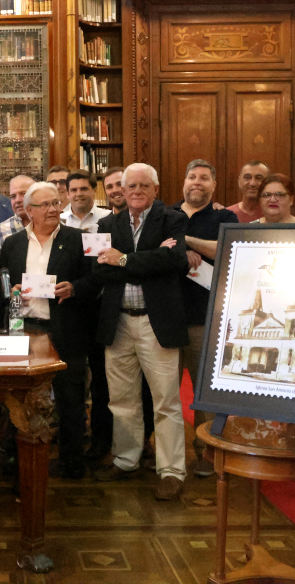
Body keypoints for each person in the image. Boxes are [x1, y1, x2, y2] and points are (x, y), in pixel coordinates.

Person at [92, 162, 190, 501]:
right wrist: (149, 259)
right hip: (117, 322)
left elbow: (174, 262)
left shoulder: (173, 219)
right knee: (122, 400)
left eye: (143, 185)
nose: (134, 191)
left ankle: (171, 471)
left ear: (155, 190)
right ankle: (126, 459)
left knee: (166, 401)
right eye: (129, 185)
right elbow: (99, 269)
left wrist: (122, 260)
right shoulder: (107, 223)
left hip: (156, 322)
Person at [0, 182, 100, 478]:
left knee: (70, 399)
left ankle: (72, 461)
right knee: (19, 399)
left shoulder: (81, 239)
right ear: (29, 211)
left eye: (56, 202)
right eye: (45, 205)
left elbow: (98, 279)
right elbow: (3, 279)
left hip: (66, 329)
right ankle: (16, 457)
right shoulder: (13, 243)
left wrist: (75, 288)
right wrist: (12, 291)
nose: (53, 209)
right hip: (25, 330)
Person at [171, 159, 238, 477]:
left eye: (204, 178)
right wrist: (178, 252)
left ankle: (207, 453)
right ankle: (165, 456)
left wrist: (184, 242)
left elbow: (226, 249)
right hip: (165, 319)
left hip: (206, 321)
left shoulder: (225, 217)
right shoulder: (166, 214)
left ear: (214, 185)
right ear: (183, 183)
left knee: (206, 394)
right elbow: (154, 248)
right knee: (165, 394)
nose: (197, 182)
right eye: (192, 177)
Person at [0, 174, 34, 252]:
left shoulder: (50, 226)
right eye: (13, 196)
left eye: (23, 194)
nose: (17, 200)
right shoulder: (0, 231)